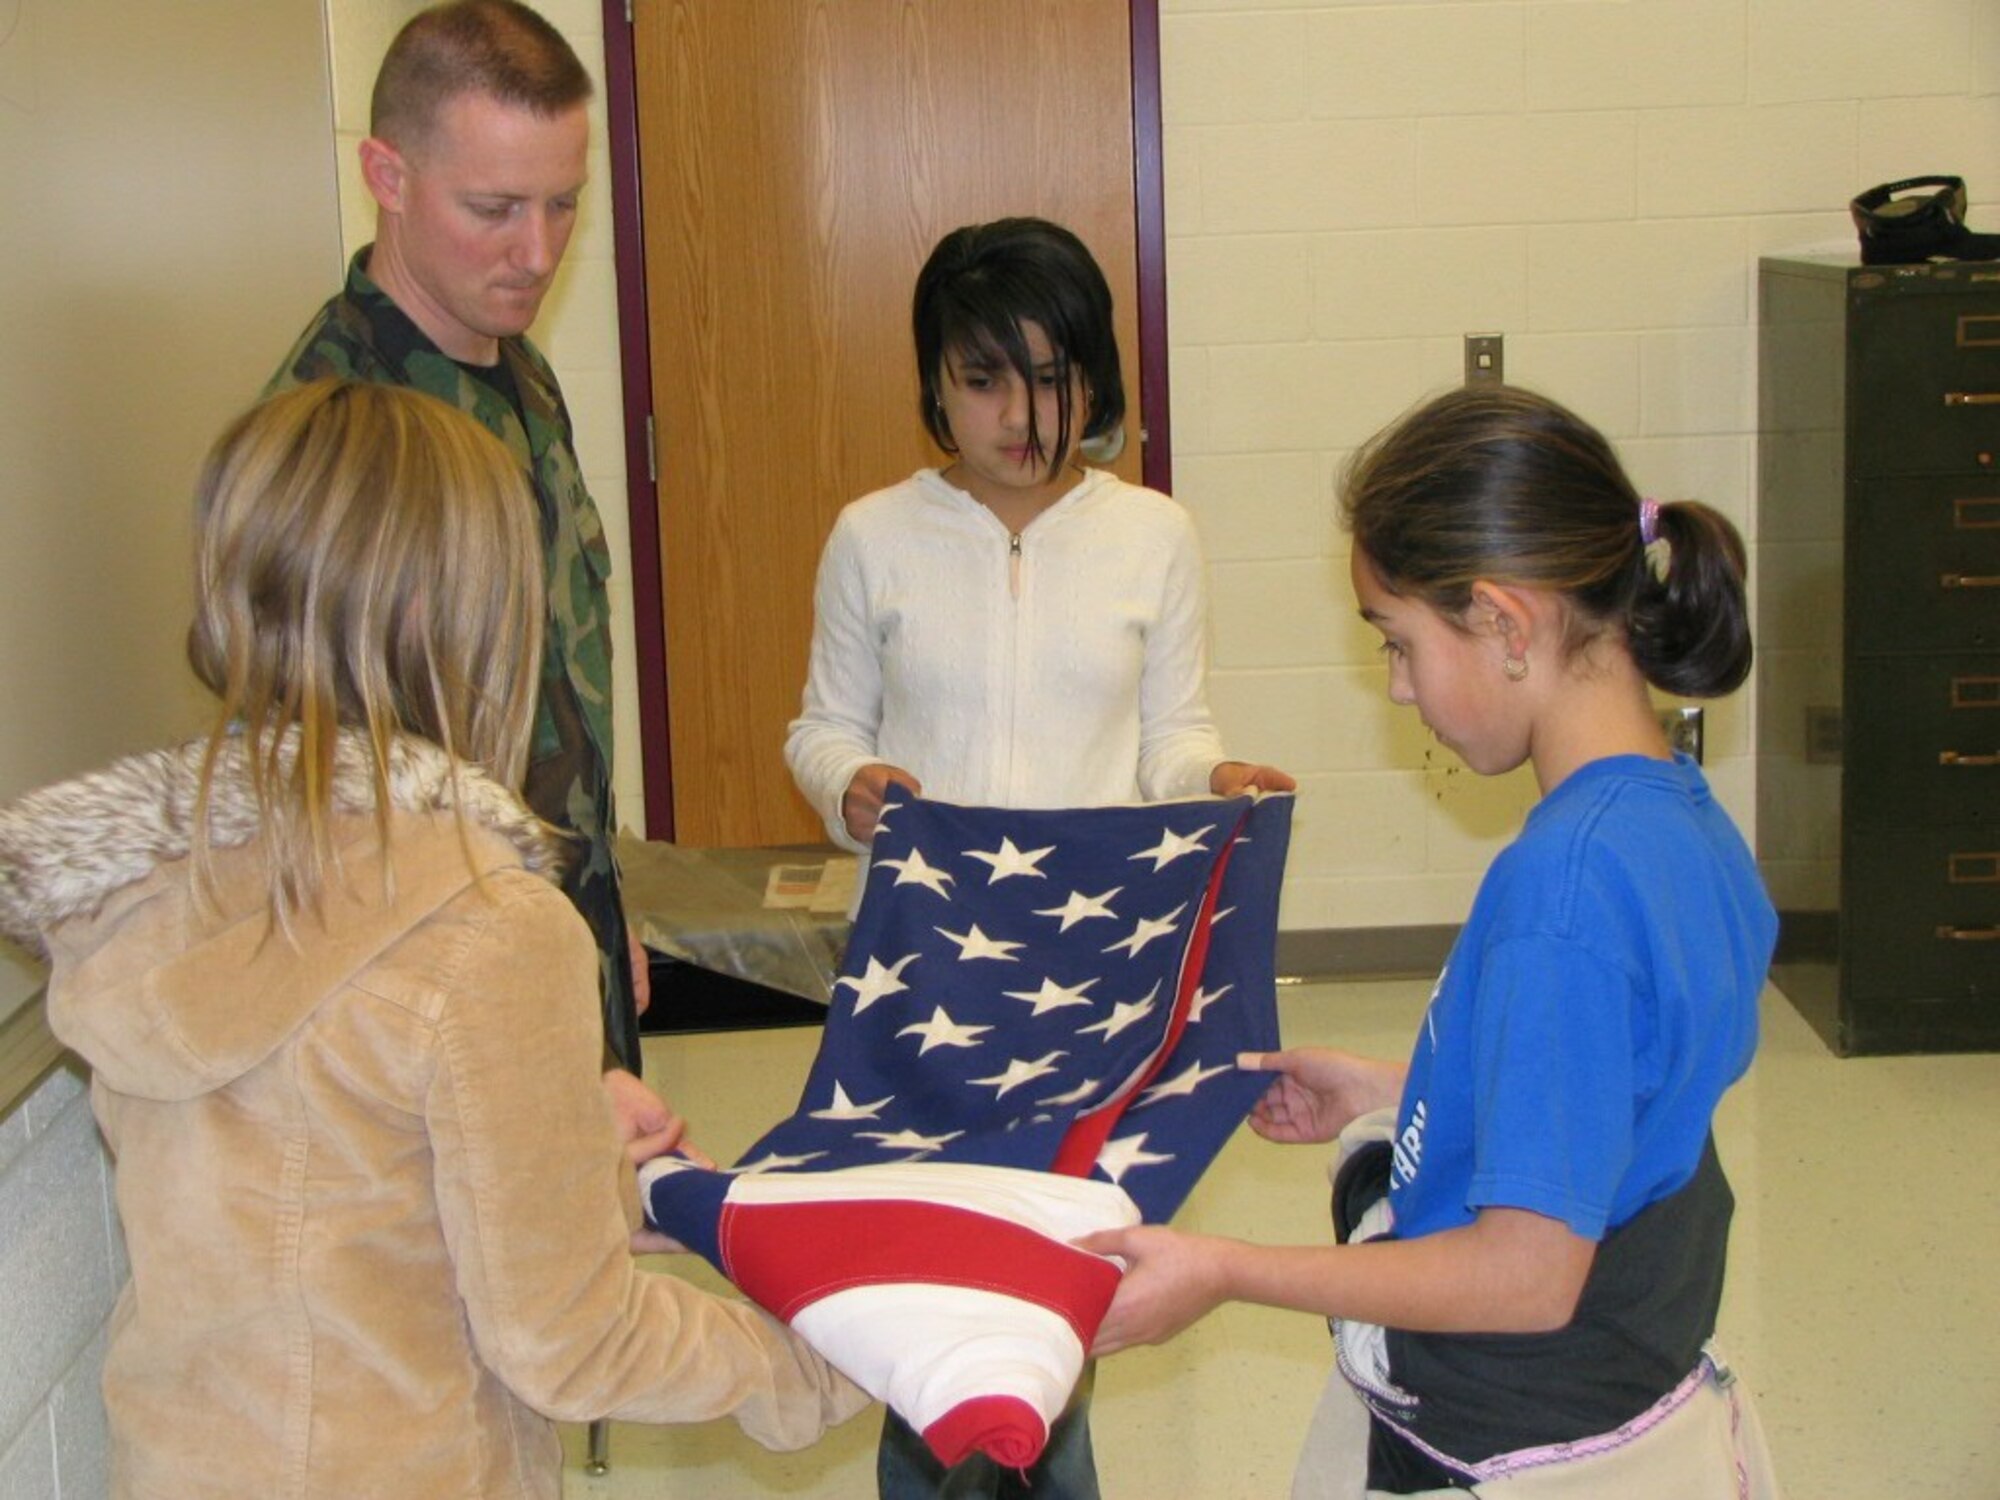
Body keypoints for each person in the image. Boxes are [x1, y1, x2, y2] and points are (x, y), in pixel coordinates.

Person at [0, 381, 865, 1500]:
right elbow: (571, 1341)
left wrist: (574, 1169)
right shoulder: (484, 928)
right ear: (468, 621)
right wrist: (821, 1363)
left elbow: (331, 1201)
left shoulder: (155, 887)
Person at [1079, 385, 1785, 1499]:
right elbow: (1613, 1097)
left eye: (1399, 645)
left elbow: (1523, 1276)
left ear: (1504, 624)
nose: (1398, 688)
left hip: (1507, 1447)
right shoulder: (1681, 820)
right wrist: (1393, 1087)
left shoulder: (1562, 890)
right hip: (1633, 1397)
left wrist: (1222, 1270)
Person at [785, 215, 1295, 1499]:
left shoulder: (1152, 537)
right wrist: (847, 785)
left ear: (1097, 377)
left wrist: (1215, 783)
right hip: (923, 984)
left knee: (1050, 1290)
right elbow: (824, 725)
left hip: (1085, 988)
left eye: (1054, 375)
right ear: (932, 385)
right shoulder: (871, 536)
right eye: (982, 377)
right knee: (925, 1293)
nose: (1021, 412)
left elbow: (1170, 743)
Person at [266, 1, 657, 1115]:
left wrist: (599, 899)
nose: (537, 253)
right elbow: (339, 803)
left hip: (552, 932)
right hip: (442, 995)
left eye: (562, 204)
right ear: (386, 174)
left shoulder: (516, 373)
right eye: (492, 208)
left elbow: (549, 693)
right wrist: (526, 978)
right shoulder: (339, 429)